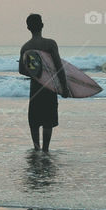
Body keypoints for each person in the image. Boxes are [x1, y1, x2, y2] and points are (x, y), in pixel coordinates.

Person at [18, 13, 70, 151]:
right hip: (49, 88)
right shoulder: (50, 44)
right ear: (42, 25)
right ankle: (45, 150)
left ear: (28, 28)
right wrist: (64, 87)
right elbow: (59, 67)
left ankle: (36, 149)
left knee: (34, 121)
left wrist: (36, 73)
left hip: (35, 88)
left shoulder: (25, 47)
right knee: (48, 121)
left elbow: (21, 70)